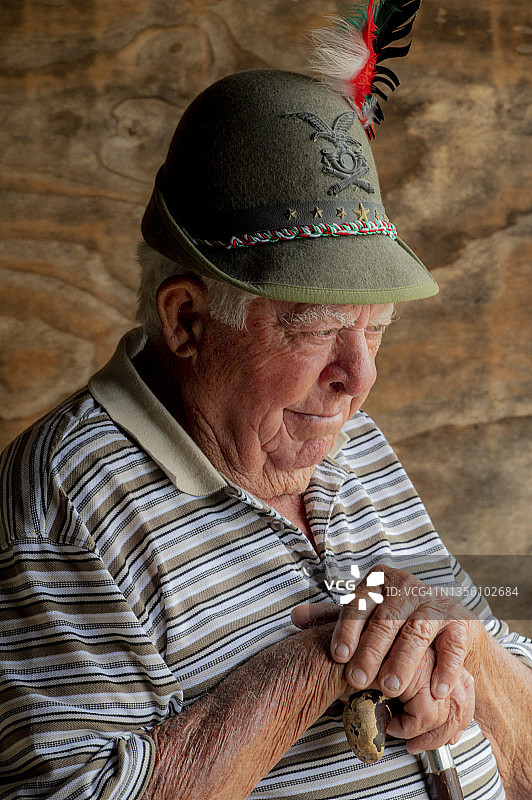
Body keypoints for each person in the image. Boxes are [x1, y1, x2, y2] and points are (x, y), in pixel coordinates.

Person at [1, 67, 531, 800]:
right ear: (187, 320)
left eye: (376, 330)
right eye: (316, 329)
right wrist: (326, 659)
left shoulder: (349, 440)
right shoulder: (67, 497)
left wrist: (459, 639)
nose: (359, 376)